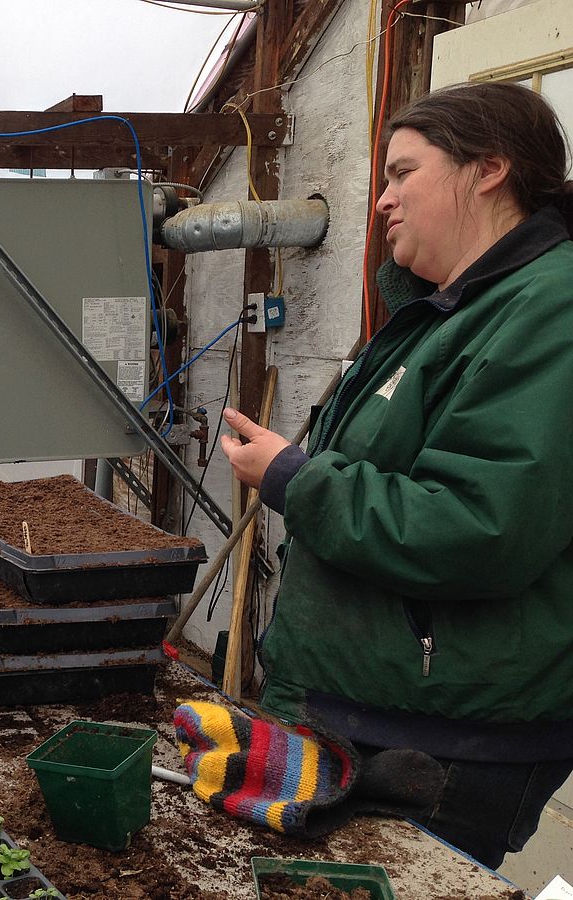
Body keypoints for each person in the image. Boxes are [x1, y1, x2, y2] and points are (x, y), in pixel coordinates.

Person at [219, 81, 573, 868]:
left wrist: (293, 479)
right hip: (382, 714)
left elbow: (481, 525)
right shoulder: (449, 311)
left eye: (402, 173)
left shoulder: (549, 310)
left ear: (488, 169)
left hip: (447, 739)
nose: (382, 201)